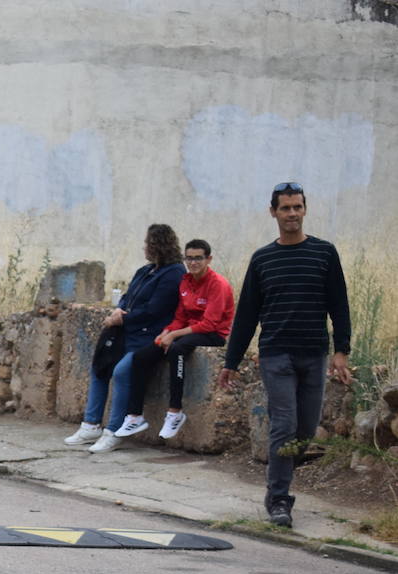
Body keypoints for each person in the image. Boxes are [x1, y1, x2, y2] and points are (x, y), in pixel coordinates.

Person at [217, 182, 352, 528]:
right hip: (276, 355)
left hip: (314, 354)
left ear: (305, 210)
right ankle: (279, 498)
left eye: (297, 207)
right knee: (284, 425)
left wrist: (341, 351)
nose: (292, 213)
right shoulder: (262, 259)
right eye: (285, 208)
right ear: (273, 212)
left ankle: (279, 480)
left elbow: (339, 305)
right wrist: (231, 362)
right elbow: (246, 315)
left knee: (304, 430)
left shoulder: (324, 253)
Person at [63, 224, 186, 453]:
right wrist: (119, 310)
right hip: (126, 333)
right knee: (100, 367)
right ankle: (91, 425)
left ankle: (114, 431)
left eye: (148, 243)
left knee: (121, 372)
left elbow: (155, 309)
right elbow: (128, 297)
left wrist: (124, 318)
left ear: (158, 245)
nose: (144, 247)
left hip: (149, 337)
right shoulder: (145, 271)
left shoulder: (174, 273)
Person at [112, 238, 235, 441]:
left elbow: (210, 324)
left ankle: (175, 412)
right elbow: (180, 317)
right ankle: (134, 416)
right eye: (189, 258)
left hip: (213, 334)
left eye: (198, 258)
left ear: (209, 259)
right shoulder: (186, 281)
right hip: (188, 331)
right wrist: (167, 331)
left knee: (176, 349)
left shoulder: (217, 284)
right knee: (141, 357)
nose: (193, 262)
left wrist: (174, 335)